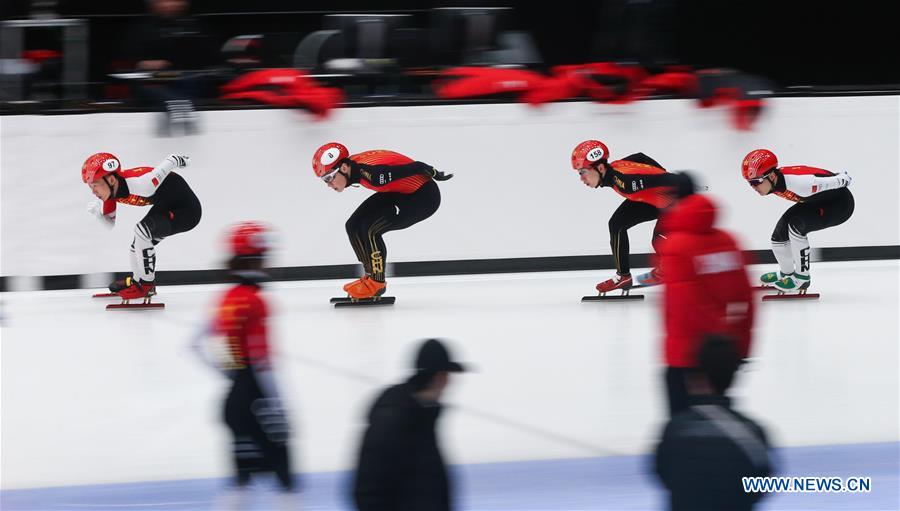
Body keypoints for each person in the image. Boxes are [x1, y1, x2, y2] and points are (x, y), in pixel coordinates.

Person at [194, 222, 297, 506]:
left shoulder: (226, 299)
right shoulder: (256, 302)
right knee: (285, 481)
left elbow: (197, 344)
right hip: (258, 402)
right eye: (265, 258)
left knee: (241, 484)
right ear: (255, 259)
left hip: (234, 404)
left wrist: (233, 374)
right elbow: (262, 361)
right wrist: (277, 403)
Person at [656, 173, 754, 416]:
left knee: (683, 425)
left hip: (684, 356)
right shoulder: (729, 241)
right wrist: (739, 347)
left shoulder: (674, 245)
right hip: (724, 353)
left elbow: (684, 304)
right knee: (721, 419)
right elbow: (747, 298)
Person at [312, 142, 453, 299]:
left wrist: (434, 173)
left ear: (344, 168)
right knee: (353, 225)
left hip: (423, 198)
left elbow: (417, 166)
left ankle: (377, 283)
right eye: (324, 180)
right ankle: (369, 275)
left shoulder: (375, 176)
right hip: (399, 191)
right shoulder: (354, 166)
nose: (328, 184)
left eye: (329, 178)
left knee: (370, 229)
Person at [655, 335, 772, 511]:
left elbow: (663, 475)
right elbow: (761, 483)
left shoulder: (674, 431)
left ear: (697, 374)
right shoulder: (753, 433)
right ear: (733, 375)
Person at [352, 339, 465, 511]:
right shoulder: (392, 417)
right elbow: (368, 489)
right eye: (446, 374)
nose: (448, 382)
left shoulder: (424, 415)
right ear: (438, 376)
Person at [82, 151, 201, 300]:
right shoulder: (110, 194)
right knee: (138, 242)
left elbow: (171, 160)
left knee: (141, 231)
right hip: (167, 203)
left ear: (111, 180)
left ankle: (146, 285)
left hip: (187, 209)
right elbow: (109, 224)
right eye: (90, 187)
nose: (93, 192)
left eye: (95, 185)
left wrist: (182, 160)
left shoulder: (142, 184)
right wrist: (99, 216)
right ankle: (137, 281)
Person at [570, 139, 676, 293]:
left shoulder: (625, 183)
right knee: (616, 224)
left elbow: (655, 178)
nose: (581, 178)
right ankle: (623, 276)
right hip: (655, 200)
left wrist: (681, 183)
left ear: (600, 168)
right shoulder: (615, 167)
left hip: (675, 202)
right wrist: (662, 172)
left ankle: (678, 272)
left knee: (659, 239)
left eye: (583, 172)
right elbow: (640, 157)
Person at [741, 149, 854, 293]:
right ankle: (787, 274)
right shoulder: (776, 181)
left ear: (772, 176)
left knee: (796, 226)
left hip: (839, 205)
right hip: (816, 201)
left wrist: (843, 177)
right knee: (779, 235)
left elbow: (842, 180)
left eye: (756, 182)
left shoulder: (801, 184)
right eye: (750, 183)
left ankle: (802, 278)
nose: (753, 187)